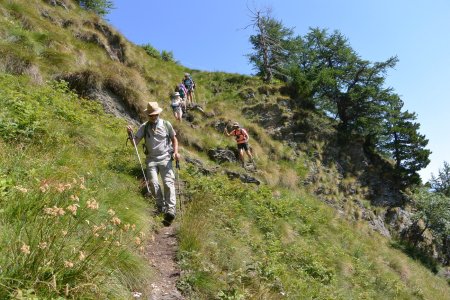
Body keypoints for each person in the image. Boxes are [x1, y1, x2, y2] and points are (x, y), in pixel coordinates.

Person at [127, 102, 180, 225]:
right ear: (148, 115)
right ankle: (161, 208)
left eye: (155, 114)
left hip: (166, 158)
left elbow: (174, 139)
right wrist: (130, 134)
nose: (153, 117)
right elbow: (134, 143)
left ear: (158, 114)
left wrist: (176, 152)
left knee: (168, 182)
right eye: (151, 115)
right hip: (151, 159)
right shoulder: (144, 127)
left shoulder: (166, 124)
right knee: (153, 184)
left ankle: (171, 210)